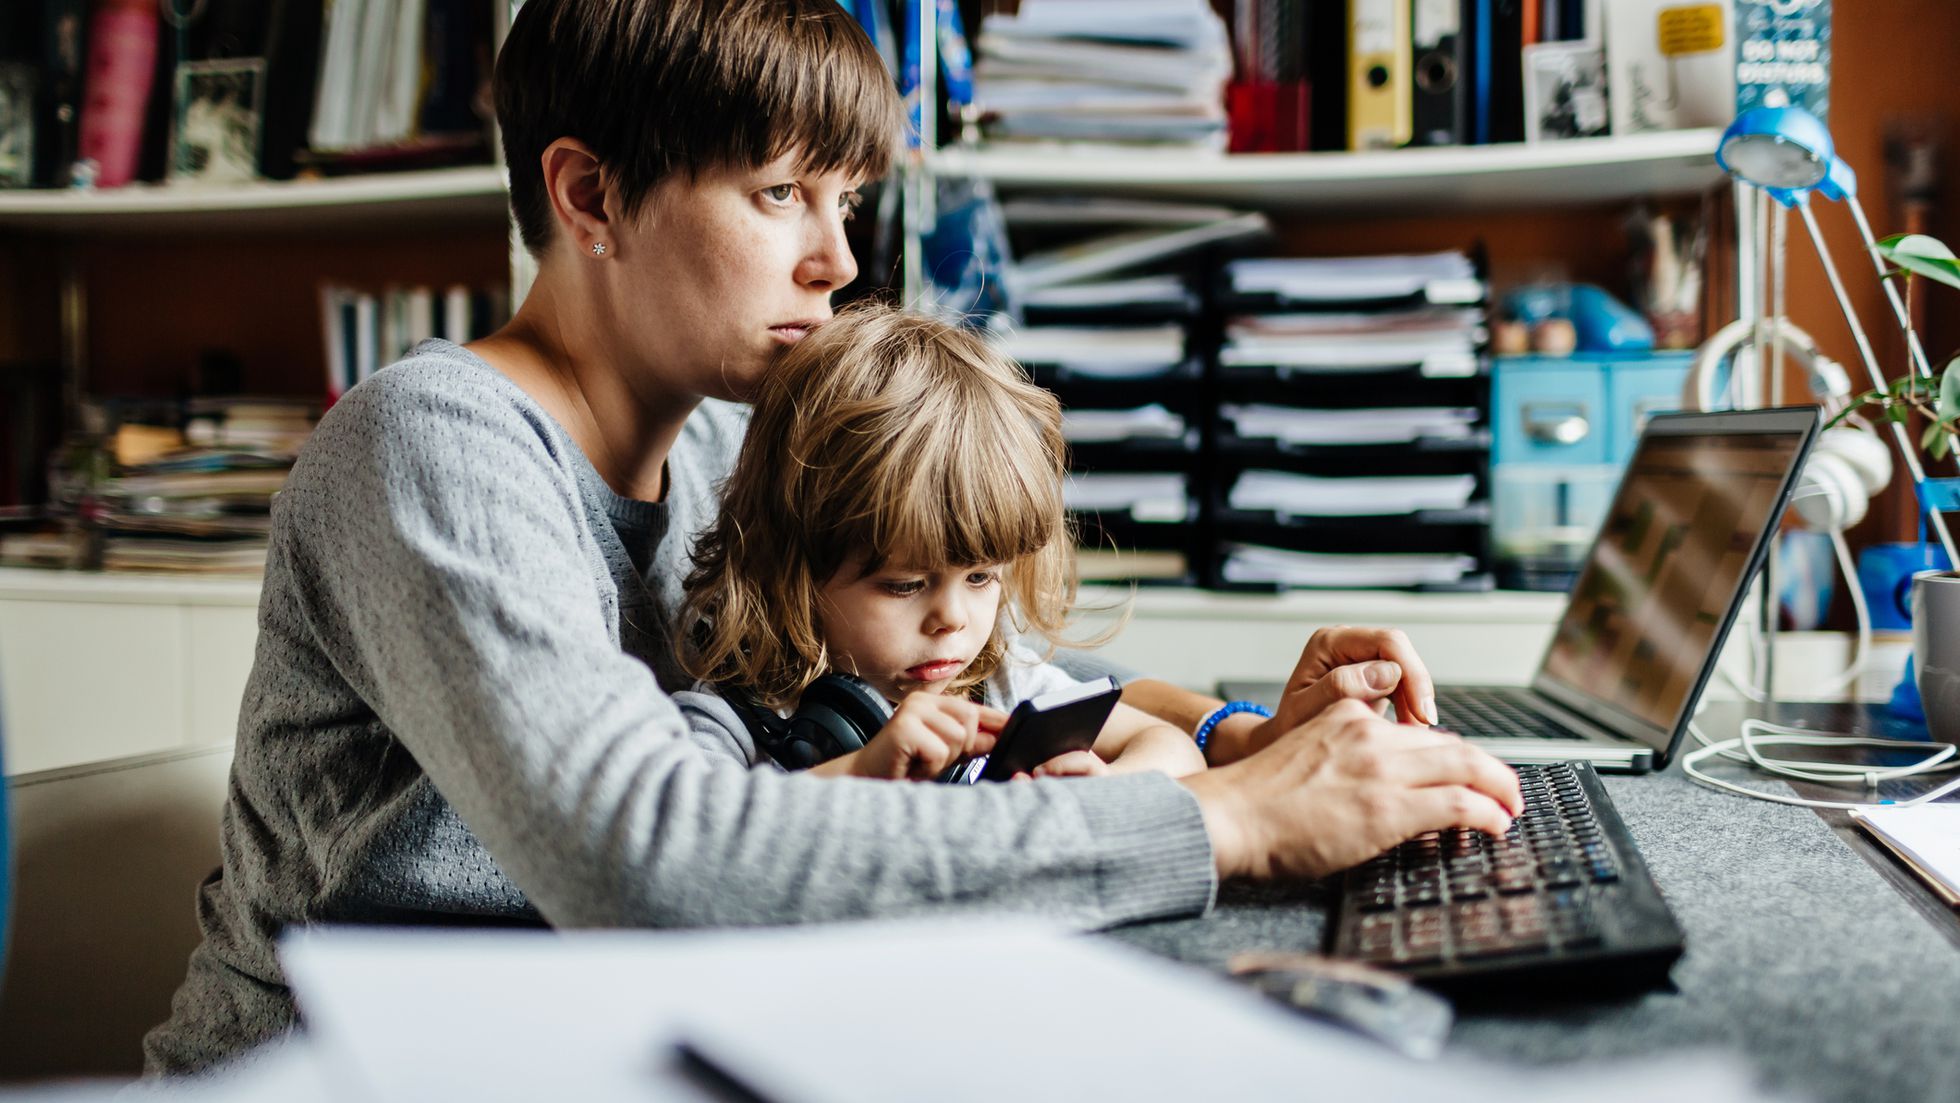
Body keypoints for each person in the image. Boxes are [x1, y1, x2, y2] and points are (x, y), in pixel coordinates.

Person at [142, 0, 1521, 1076]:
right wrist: (1217, 825)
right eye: (779, 194)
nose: (840, 261)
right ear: (590, 196)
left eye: (846, 202)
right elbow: (643, 853)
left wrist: (1236, 736)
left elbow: (989, 669)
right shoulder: (431, 439)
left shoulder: (729, 442)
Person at [675, 304, 1207, 782]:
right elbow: (693, 843)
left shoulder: (999, 687)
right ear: (787, 569)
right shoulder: (736, 720)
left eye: (980, 577)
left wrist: (1107, 790)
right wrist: (859, 771)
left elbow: (1172, 746)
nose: (952, 619)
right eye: (905, 585)